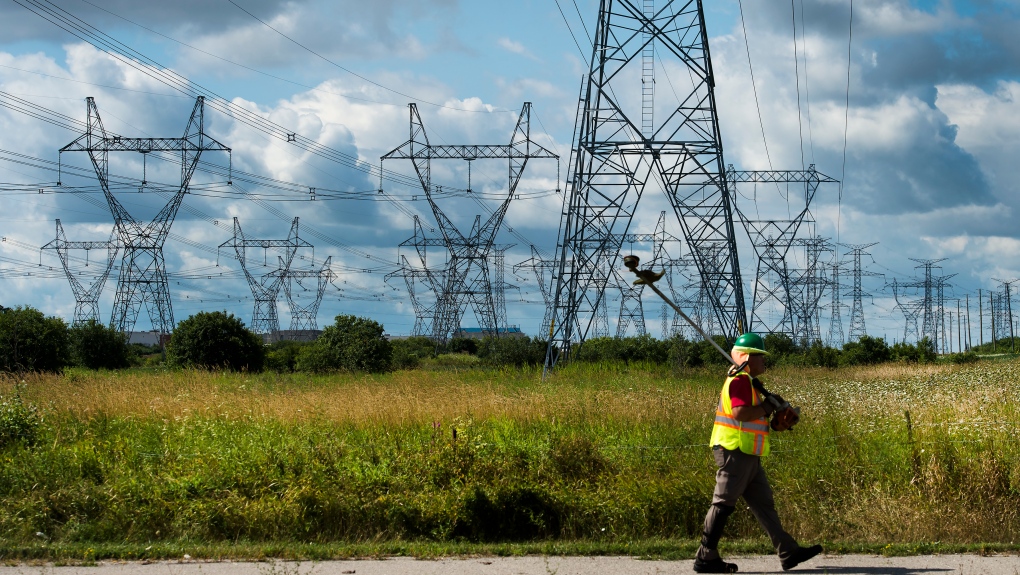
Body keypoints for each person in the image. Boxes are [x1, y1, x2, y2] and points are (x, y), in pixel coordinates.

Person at [693, 332, 822, 573]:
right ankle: (706, 556)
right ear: (746, 357)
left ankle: (788, 551)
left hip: (749, 453)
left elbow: (753, 419)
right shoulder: (740, 380)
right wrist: (766, 406)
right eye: (760, 356)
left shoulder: (749, 382)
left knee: (764, 505)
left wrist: (774, 419)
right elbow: (740, 414)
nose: (764, 361)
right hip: (734, 450)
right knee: (723, 503)